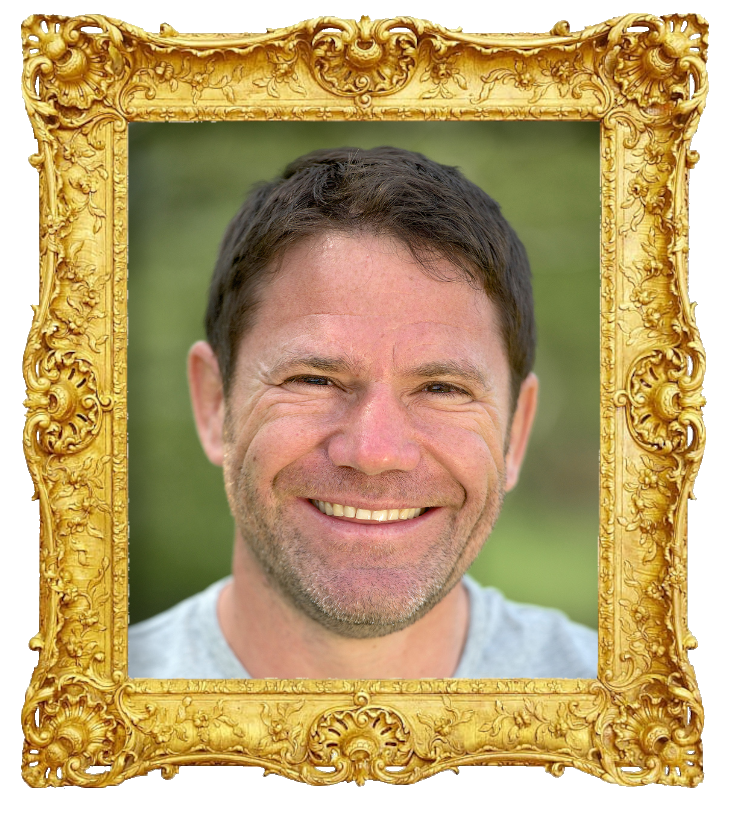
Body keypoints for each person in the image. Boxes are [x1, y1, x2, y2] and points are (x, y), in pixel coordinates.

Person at [129, 146, 597, 680]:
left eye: (442, 388)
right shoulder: (87, 716)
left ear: (516, 430)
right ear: (214, 403)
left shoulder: (629, 717)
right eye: (314, 379)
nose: (374, 454)